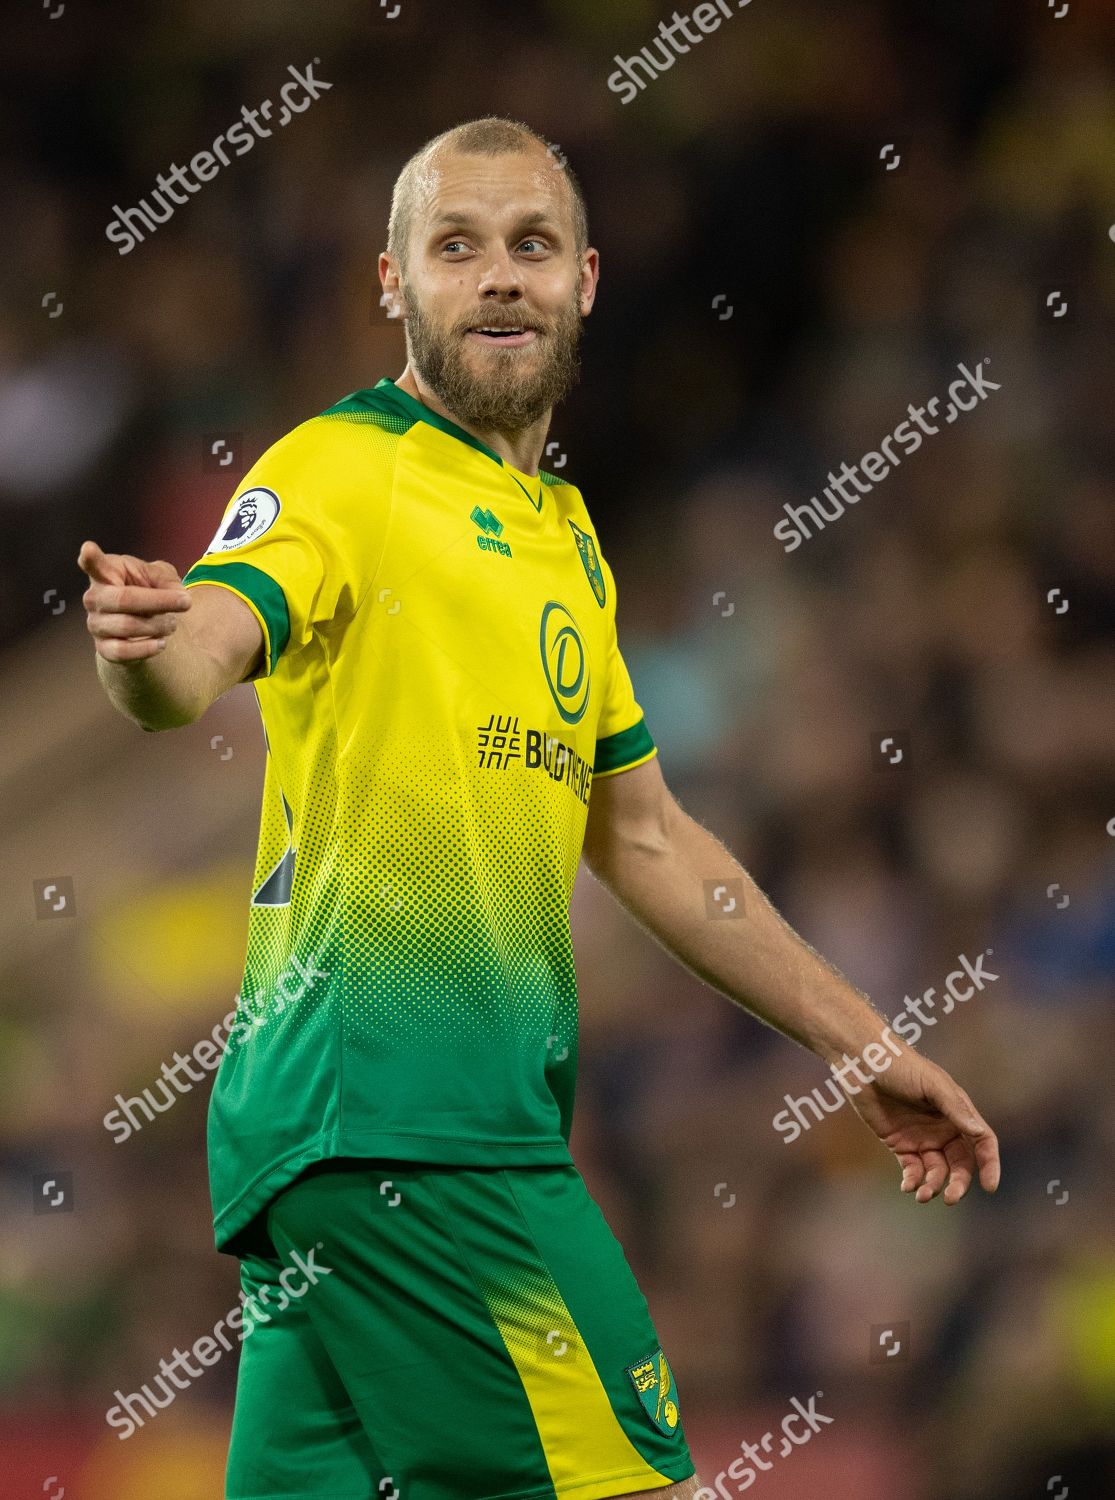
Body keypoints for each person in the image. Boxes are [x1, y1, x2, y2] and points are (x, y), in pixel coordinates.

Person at [79, 115, 1000, 1500]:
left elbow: (647, 839)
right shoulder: (339, 469)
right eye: (456, 246)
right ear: (393, 284)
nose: (499, 275)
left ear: (586, 281)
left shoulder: (568, 544)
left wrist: (862, 1045)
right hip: (409, 1128)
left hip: (352, 1156)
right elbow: (201, 649)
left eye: (531, 245)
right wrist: (145, 651)